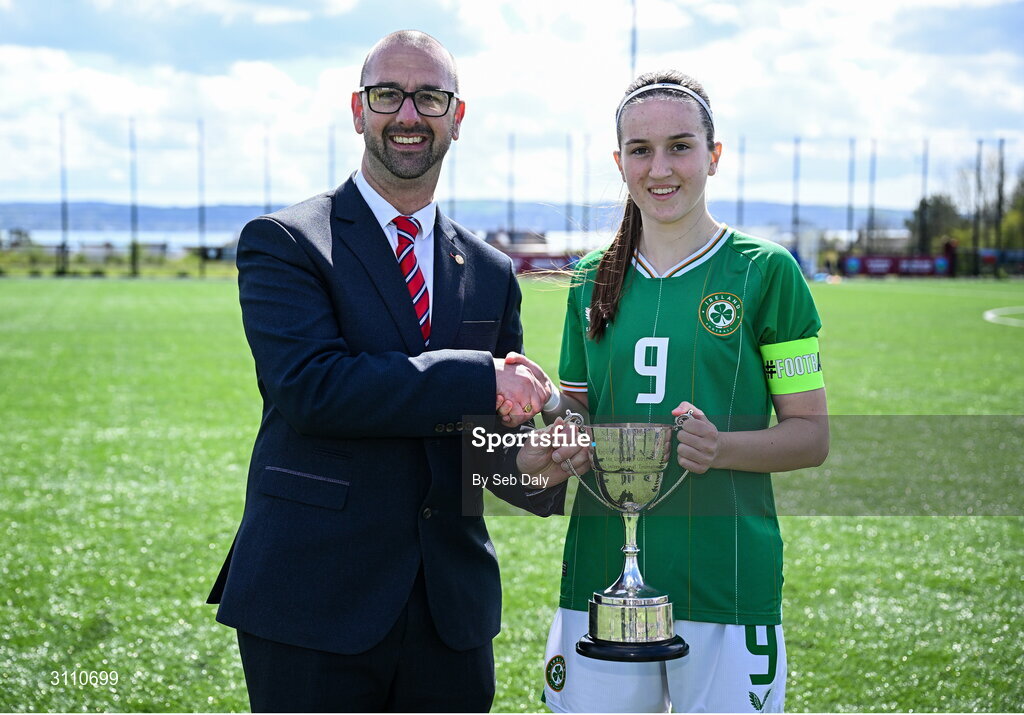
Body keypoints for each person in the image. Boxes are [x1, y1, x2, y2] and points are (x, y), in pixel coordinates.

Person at [206, 30, 589, 713]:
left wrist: (535, 463)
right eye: (389, 95)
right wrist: (480, 377)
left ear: (456, 119)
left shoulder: (493, 274)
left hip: (450, 615)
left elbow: (484, 452)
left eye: (430, 98)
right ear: (359, 110)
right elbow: (314, 389)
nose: (408, 115)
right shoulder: (288, 241)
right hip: (312, 604)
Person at [520, 71, 829, 713]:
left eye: (681, 146)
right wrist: (562, 428)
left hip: (726, 581)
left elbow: (811, 435)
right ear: (620, 162)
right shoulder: (589, 279)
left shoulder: (766, 272)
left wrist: (721, 447)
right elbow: (579, 410)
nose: (660, 168)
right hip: (600, 579)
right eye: (640, 150)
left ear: (714, 156)